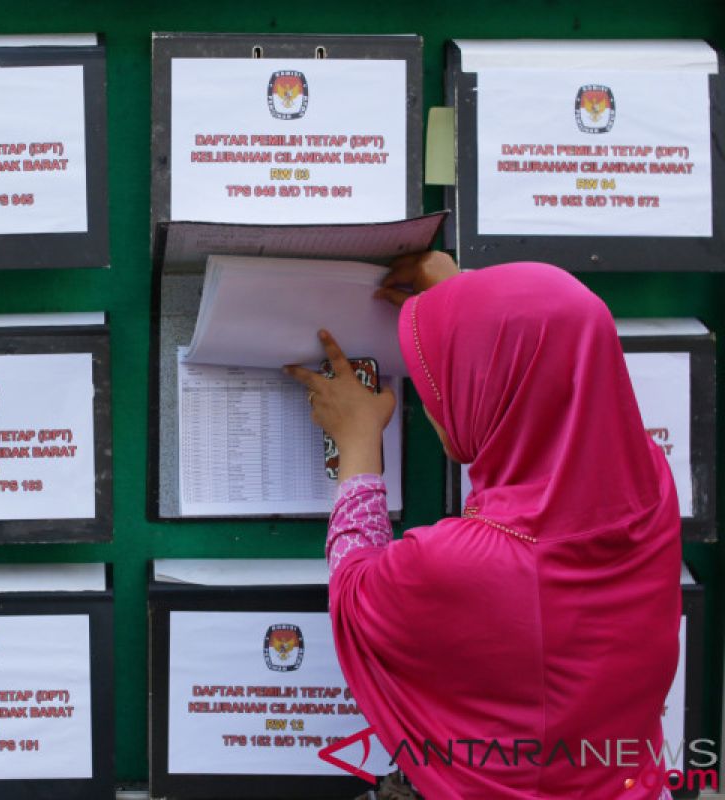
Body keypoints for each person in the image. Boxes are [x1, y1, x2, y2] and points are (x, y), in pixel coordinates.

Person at [285, 253, 682, 799]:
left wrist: (357, 442)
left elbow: (354, 589)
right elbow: (547, 347)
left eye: (443, 383)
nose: (432, 401)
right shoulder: (651, 485)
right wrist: (462, 298)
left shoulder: (466, 561)